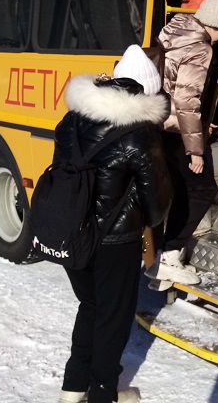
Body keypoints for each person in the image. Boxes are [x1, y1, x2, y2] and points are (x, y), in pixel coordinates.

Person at [55, 45, 171, 403]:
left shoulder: (73, 119)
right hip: (114, 242)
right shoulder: (141, 133)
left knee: (90, 307)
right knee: (112, 320)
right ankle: (103, 394)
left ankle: (73, 389)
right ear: (147, 89)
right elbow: (158, 203)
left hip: (72, 233)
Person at [147, 0, 218, 286]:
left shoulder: (174, 29)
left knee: (178, 190)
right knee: (201, 190)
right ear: (216, 24)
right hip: (176, 129)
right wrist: (195, 150)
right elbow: (187, 102)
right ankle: (169, 257)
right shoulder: (201, 48)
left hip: (157, 122)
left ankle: (162, 257)